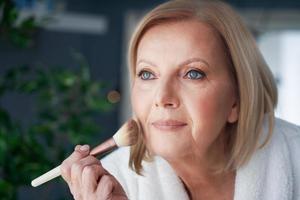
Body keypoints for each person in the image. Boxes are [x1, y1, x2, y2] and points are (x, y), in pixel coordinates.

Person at [60, 0, 300, 199]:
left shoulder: (294, 160)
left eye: (193, 74)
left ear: (236, 100)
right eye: (147, 74)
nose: (162, 98)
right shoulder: (112, 182)